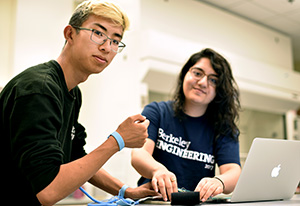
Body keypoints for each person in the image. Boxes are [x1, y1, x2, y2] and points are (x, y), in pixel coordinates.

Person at [0, 1, 158, 205]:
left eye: (115, 40)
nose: (106, 47)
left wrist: (127, 192)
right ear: (70, 34)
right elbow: (47, 190)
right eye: (98, 33)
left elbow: (76, 157)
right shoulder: (39, 89)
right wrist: (117, 140)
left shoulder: (72, 93)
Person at [131, 48, 242, 202]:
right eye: (197, 73)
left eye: (213, 80)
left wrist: (219, 182)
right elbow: (139, 154)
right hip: (156, 202)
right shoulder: (157, 112)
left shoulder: (223, 127)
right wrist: (158, 170)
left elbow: (233, 170)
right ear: (185, 74)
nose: (203, 82)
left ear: (219, 90)